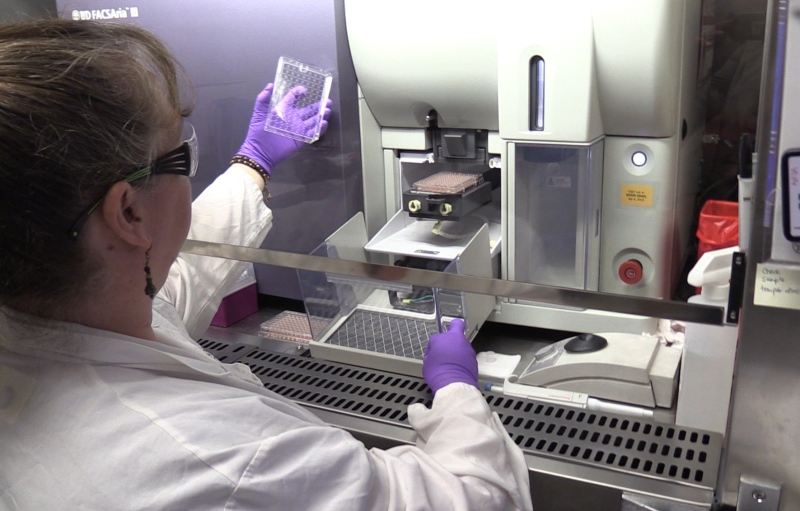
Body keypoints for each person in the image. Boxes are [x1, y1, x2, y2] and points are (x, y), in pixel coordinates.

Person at [0, 18, 532, 510]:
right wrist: (458, 391)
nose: (189, 169)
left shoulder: (51, 320)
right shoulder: (223, 461)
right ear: (129, 211)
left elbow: (173, 284)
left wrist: (255, 159)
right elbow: (473, 497)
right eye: (179, 155)